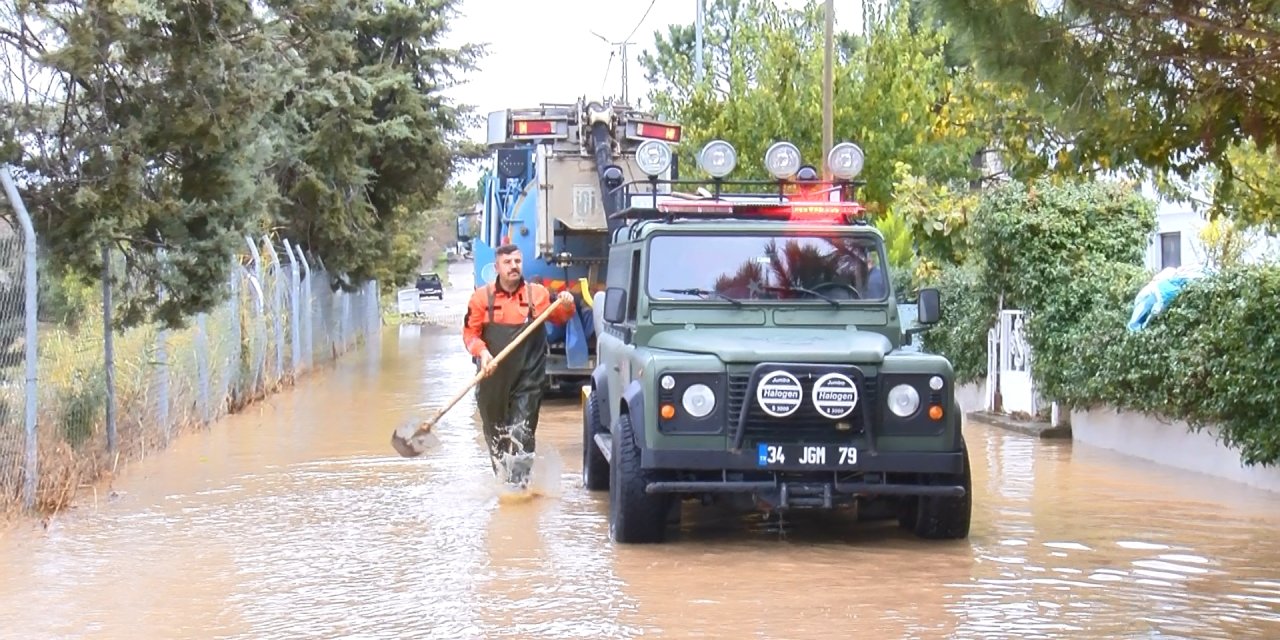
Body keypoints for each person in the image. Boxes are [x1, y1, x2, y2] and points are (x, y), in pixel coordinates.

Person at [462, 243, 575, 486]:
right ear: (497, 267)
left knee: (522, 432)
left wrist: (566, 303)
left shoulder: (538, 295)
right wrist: (482, 353)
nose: (514, 266)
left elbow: (562, 316)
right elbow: (470, 335)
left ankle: (519, 487)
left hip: (528, 377)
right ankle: (503, 482)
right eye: (508, 262)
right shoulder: (481, 298)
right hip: (492, 377)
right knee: (497, 436)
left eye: (517, 261)